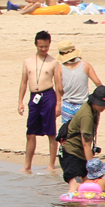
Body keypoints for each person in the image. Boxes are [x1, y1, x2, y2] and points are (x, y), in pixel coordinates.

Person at [18, 30, 63, 174]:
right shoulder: (27, 61)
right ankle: (27, 165)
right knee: (30, 133)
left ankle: (51, 164)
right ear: (36, 45)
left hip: (49, 96)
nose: (43, 49)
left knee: (51, 132)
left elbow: (57, 84)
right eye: (41, 46)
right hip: (34, 97)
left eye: (46, 46)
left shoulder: (54, 62)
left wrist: (58, 104)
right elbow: (24, 82)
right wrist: (20, 101)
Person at [61, 86, 105, 191]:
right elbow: (86, 144)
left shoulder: (94, 109)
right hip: (72, 153)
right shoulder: (87, 116)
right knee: (76, 186)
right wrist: (93, 171)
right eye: (101, 104)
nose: (103, 107)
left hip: (81, 153)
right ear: (94, 101)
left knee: (88, 186)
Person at [58, 42, 103, 125]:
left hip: (67, 104)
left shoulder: (59, 68)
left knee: (68, 133)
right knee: (84, 131)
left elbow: (59, 89)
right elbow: (98, 83)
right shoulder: (86, 66)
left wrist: (58, 103)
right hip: (83, 105)